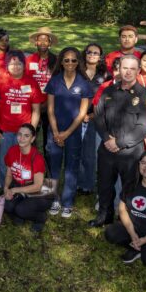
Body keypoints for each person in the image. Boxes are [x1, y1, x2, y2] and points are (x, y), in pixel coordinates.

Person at [90, 55, 146, 227]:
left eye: (132, 69)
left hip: (130, 152)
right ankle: (104, 215)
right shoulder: (109, 91)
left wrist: (118, 143)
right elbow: (98, 116)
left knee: (129, 188)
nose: (128, 72)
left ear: (138, 71)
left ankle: (124, 220)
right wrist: (106, 138)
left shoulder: (144, 96)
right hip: (106, 148)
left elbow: (143, 127)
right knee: (104, 184)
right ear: (119, 69)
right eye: (125, 68)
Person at [44, 47, 92, 218]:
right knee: (53, 167)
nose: (70, 63)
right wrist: (56, 133)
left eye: (73, 60)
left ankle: (67, 202)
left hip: (73, 133)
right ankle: (51, 199)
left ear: (78, 62)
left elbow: (82, 113)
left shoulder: (84, 84)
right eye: (66, 60)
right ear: (61, 62)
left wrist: (66, 133)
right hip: (54, 132)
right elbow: (49, 110)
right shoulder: (54, 81)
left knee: (71, 168)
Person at [0, 50, 44, 194]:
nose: (15, 66)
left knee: (24, 164)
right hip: (5, 132)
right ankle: (6, 191)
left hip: (23, 132)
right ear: (6, 65)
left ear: (24, 65)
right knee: (5, 164)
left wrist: (30, 133)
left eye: (19, 63)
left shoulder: (31, 82)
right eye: (12, 63)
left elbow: (36, 110)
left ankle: (22, 191)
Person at [2, 124, 50, 233]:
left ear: (32, 139)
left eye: (26, 136)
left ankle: (40, 218)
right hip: (20, 187)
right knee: (7, 204)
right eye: (20, 134)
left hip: (40, 191)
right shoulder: (12, 151)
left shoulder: (36, 157)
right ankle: (21, 214)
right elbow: (9, 174)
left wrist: (14, 190)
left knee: (21, 210)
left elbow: (37, 186)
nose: (22, 138)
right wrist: (6, 188)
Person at [78, 43, 107, 194]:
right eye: (89, 52)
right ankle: (76, 181)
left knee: (90, 153)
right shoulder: (77, 72)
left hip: (94, 118)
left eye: (96, 53)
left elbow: (108, 100)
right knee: (76, 151)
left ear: (100, 56)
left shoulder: (105, 75)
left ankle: (87, 185)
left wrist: (91, 115)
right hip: (76, 117)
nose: (92, 55)